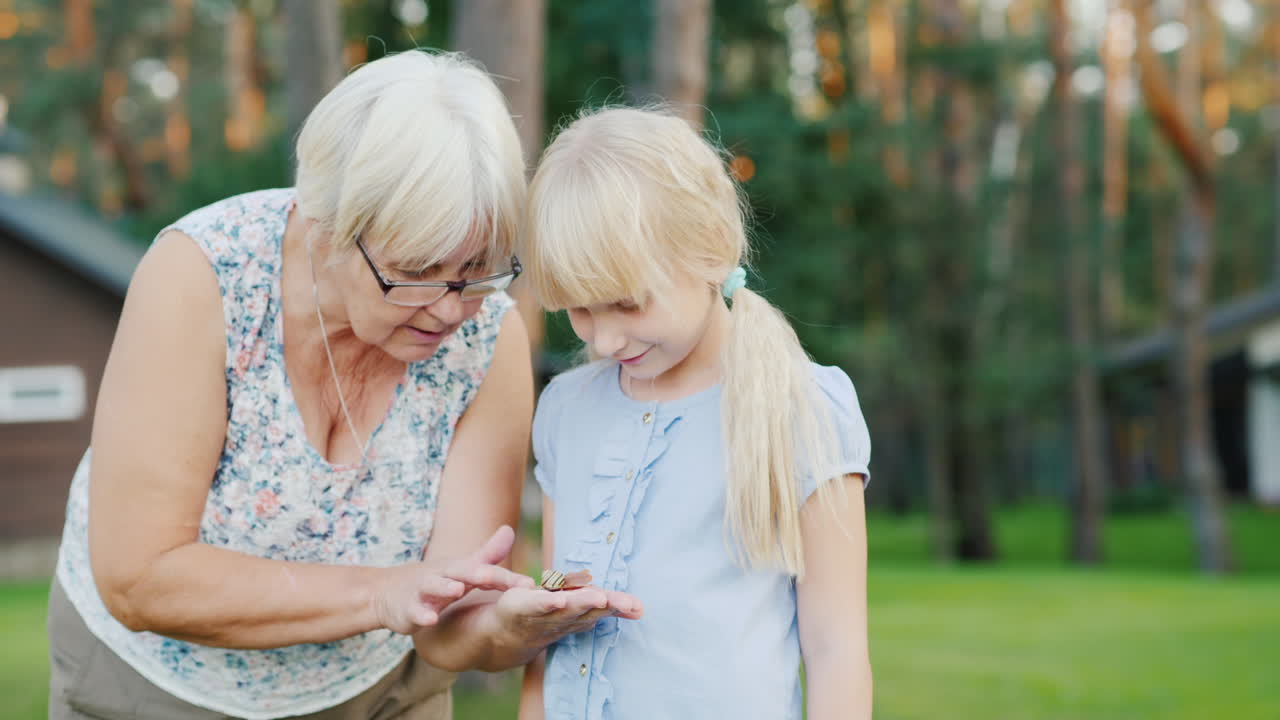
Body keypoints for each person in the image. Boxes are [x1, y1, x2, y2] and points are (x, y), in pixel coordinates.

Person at [47, 50, 640, 720]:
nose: (450, 309)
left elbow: (449, 627)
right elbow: (139, 578)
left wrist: (512, 627)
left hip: (380, 691)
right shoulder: (202, 278)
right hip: (155, 688)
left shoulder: (487, 337)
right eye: (415, 269)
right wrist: (380, 593)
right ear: (327, 224)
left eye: (476, 269)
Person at [516, 107, 874, 719]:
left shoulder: (802, 407)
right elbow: (555, 613)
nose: (602, 341)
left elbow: (836, 647)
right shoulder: (565, 411)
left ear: (708, 250)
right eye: (579, 310)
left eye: (625, 304)